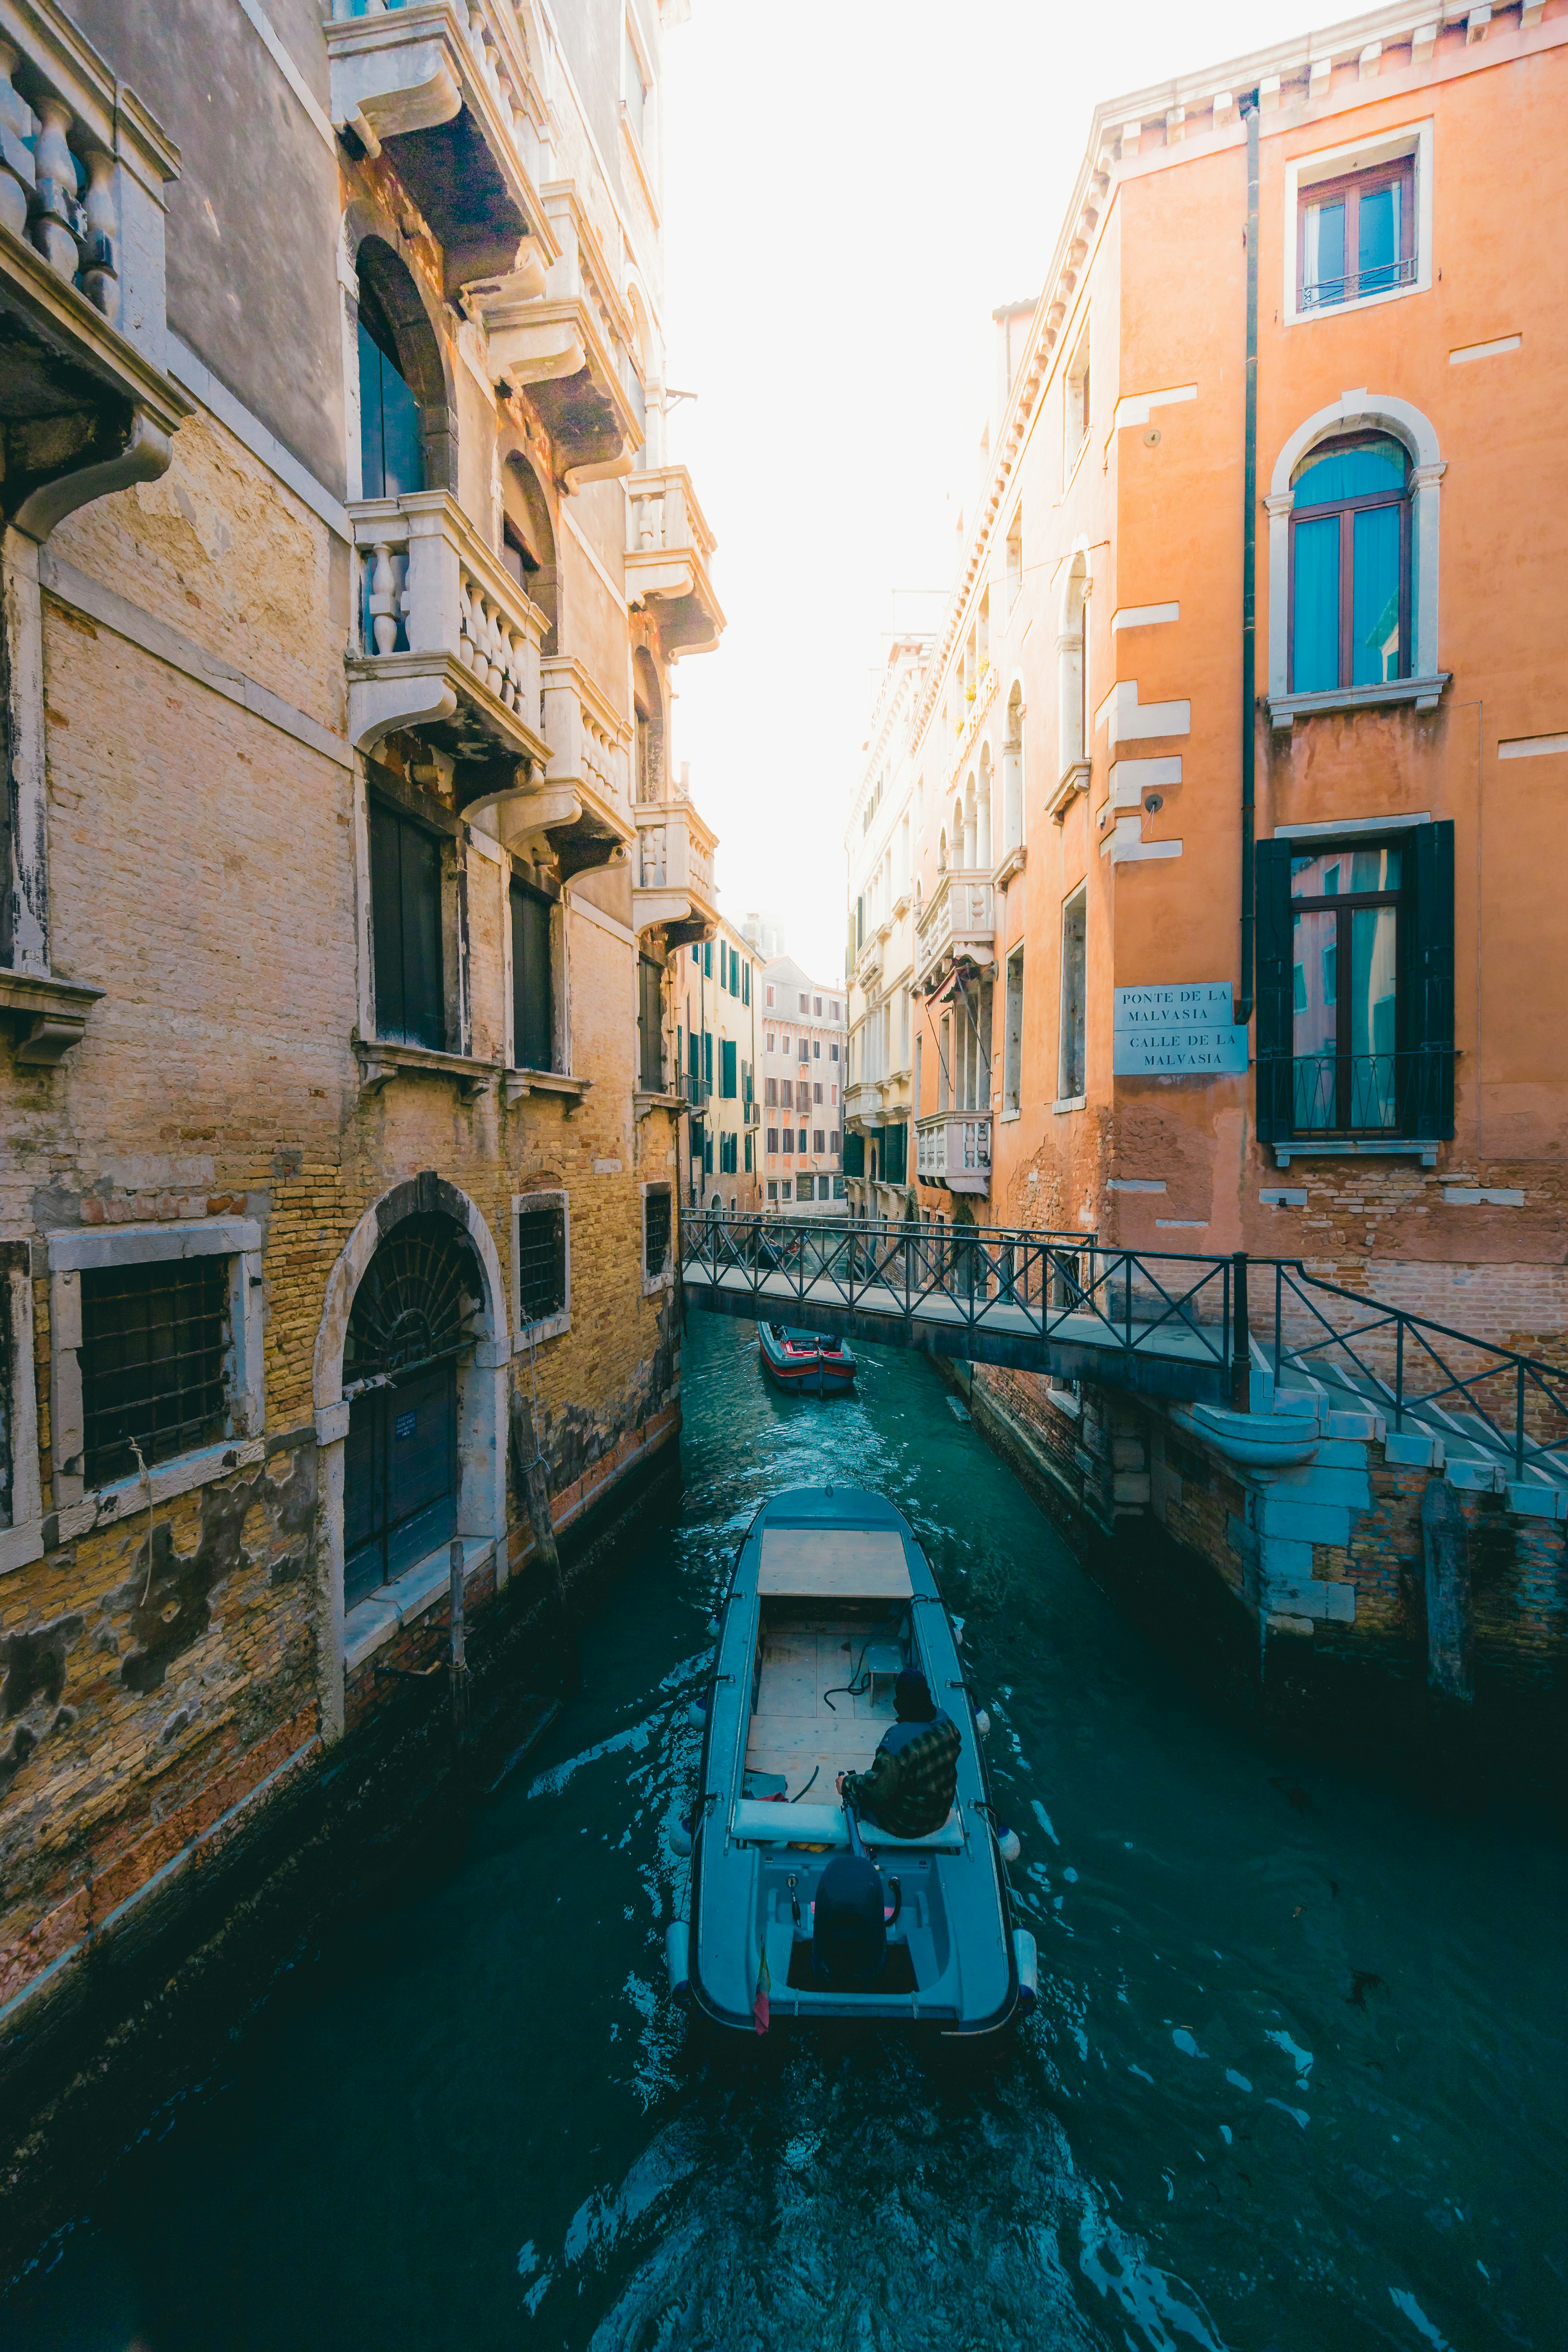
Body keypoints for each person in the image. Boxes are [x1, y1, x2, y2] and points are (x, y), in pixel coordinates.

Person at [837, 1666, 959, 1838]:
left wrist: (847, 1783)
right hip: (939, 1816)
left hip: (906, 1825)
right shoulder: (947, 1723)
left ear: (901, 1702)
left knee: (858, 1796)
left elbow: (877, 1791)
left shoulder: (897, 1740)